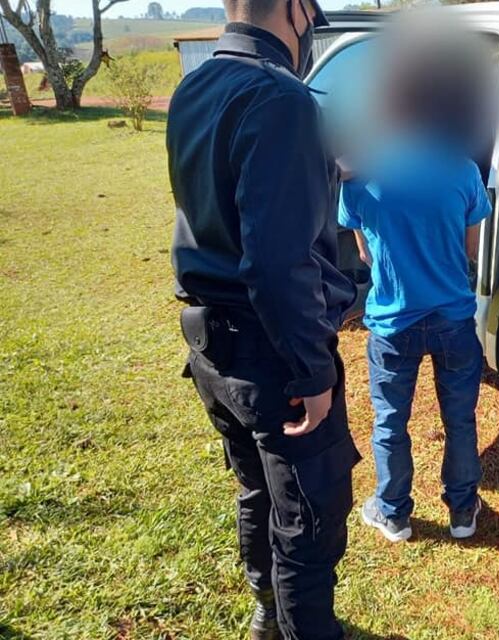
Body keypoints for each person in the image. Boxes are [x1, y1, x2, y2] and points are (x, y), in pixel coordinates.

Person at [166, 0, 359, 638]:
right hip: (270, 351)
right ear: (296, 11)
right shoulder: (282, 99)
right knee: (308, 512)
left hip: (212, 347)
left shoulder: (196, 86)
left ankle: (267, 616)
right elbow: (278, 264)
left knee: (257, 488)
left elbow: (218, 202)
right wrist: (312, 370)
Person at [338, 26, 492, 544]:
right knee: (461, 419)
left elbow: (363, 252)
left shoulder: (362, 178)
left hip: (392, 320)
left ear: (385, 106)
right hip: (452, 316)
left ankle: (394, 512)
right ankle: (464, 511)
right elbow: (470, 250)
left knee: (389, 421)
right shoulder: (464, 170)